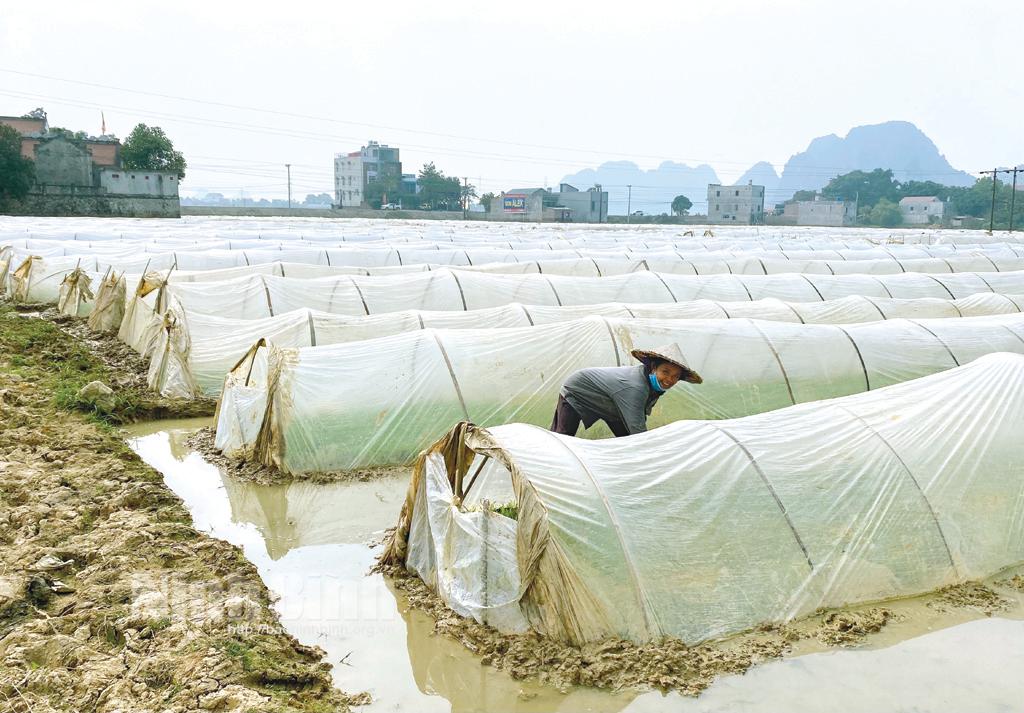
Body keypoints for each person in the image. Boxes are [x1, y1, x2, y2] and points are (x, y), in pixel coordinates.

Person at [550, 343, 702, 437]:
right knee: (563, 437)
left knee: (626, 438)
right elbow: (638, 429)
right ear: (653, 368)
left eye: (676, 376)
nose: (669, 379)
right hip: (577, 390)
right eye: (665, 372)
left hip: (609, 402)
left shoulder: (650, 383)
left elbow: (638, 417)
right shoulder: (636, 387)